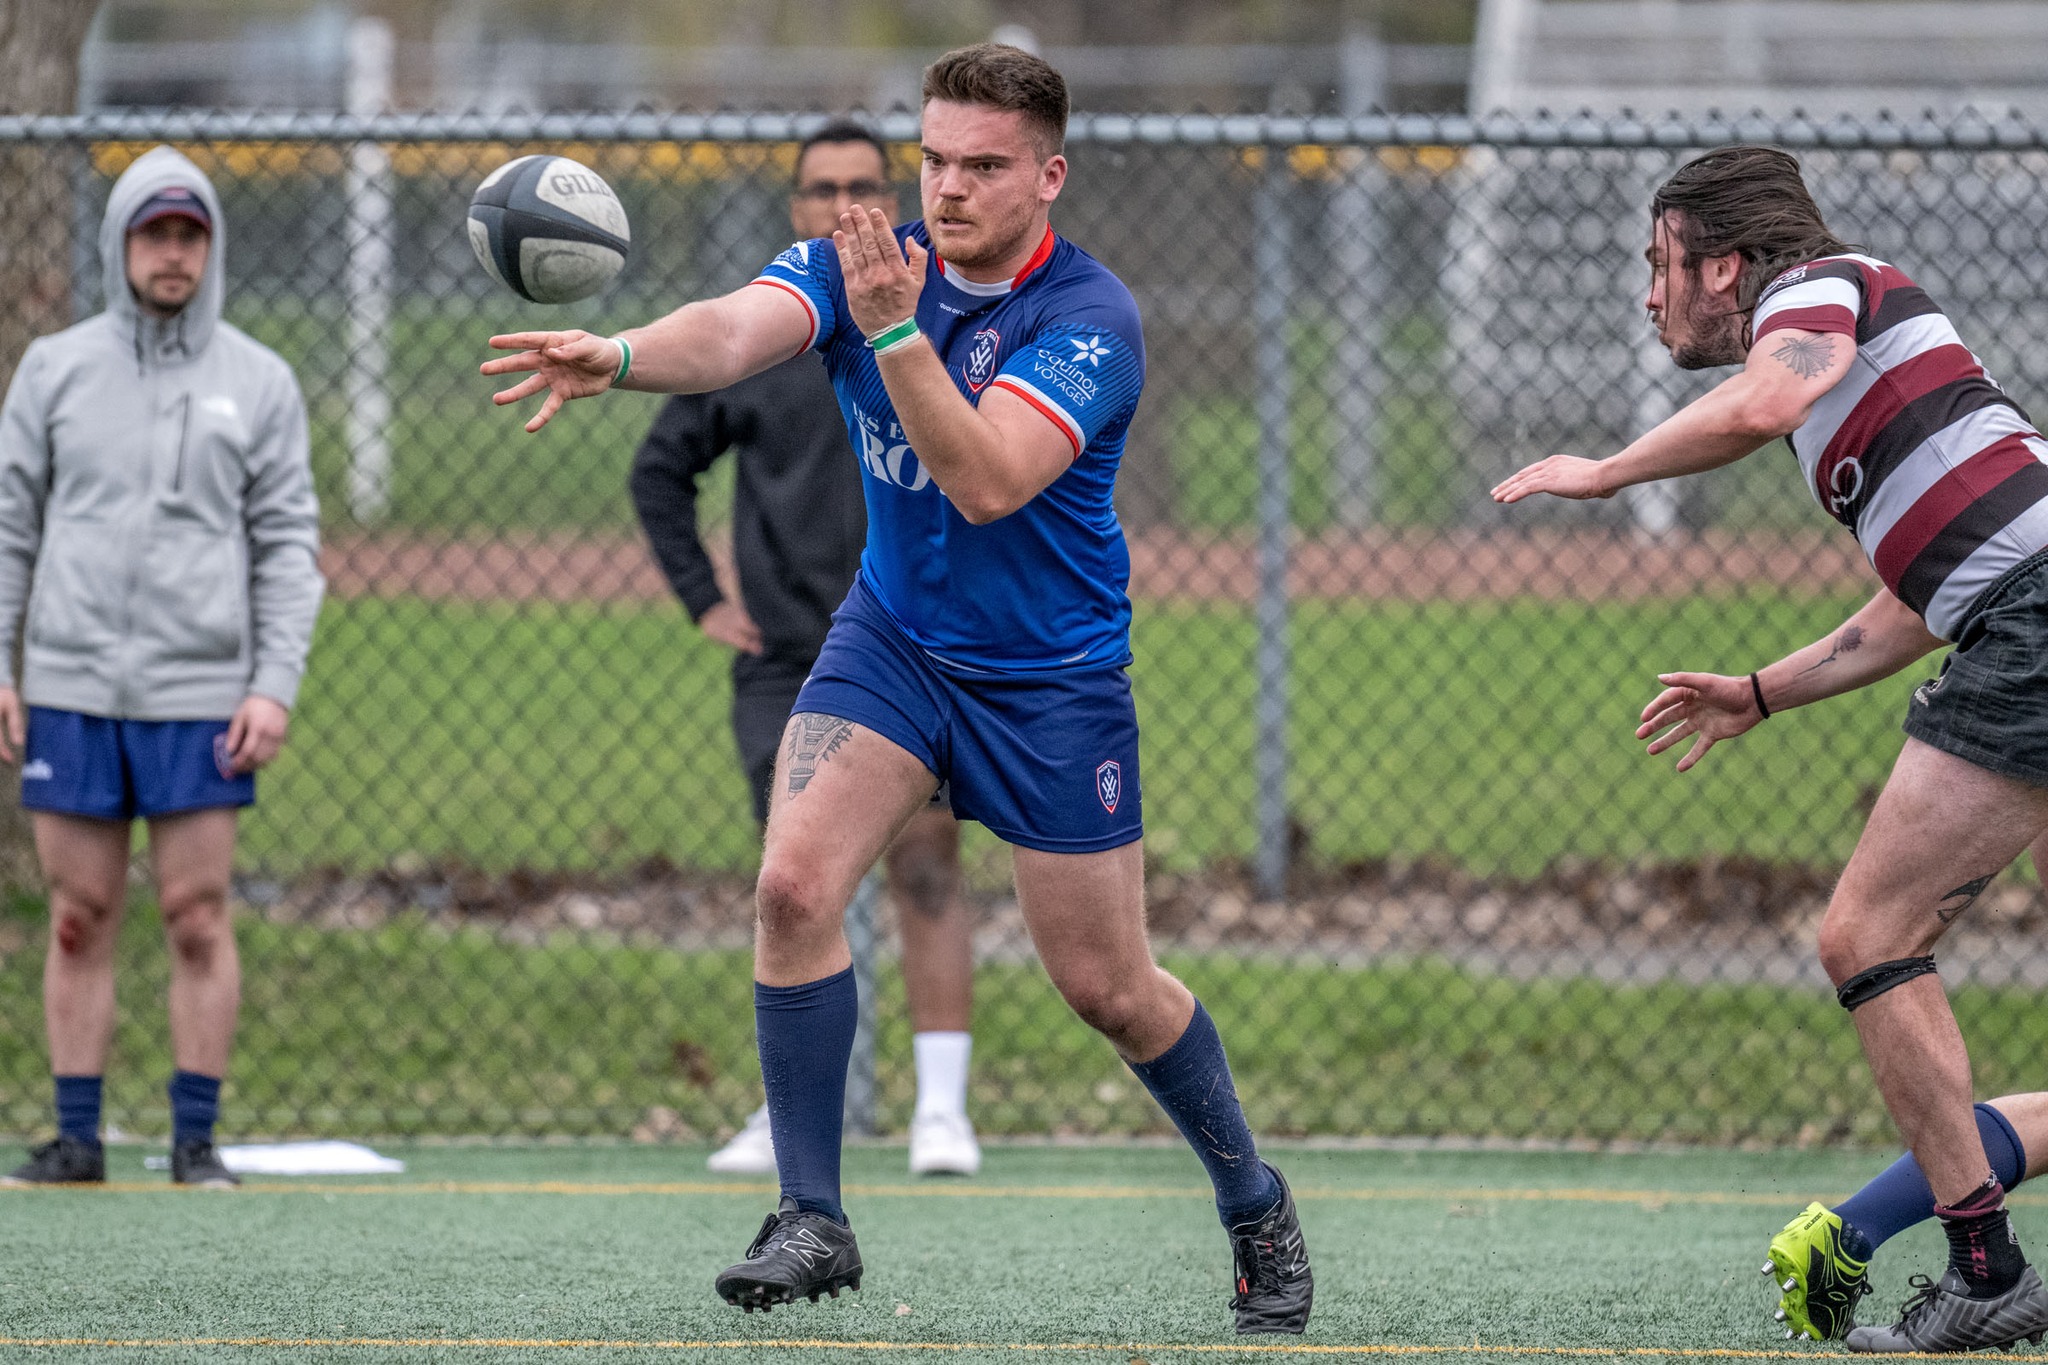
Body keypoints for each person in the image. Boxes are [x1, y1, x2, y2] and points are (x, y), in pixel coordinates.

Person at [485, 43, 1312, 1336]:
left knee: (1108, 986)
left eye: (983, 165)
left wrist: (890, 328)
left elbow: (985, 479)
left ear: (1049, 177)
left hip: (1048, 680)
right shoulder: (861, 262)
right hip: (895, 641)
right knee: (791, 888)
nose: (948, 188)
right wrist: (623, 352)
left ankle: (1252, 1198)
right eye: (933, 160)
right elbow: (733, 330)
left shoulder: (1089, 319)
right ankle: (810, 1213)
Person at [1493, 144, 2048, 1353]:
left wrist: (1605, 473)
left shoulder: (1814, 290)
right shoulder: (1860, 383)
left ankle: (1983, 1269)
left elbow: (1763, 400)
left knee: (1867, 936)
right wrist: (1761, 692)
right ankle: (1958, 1252)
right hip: (2019, 616)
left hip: (2034, 624)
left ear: (1724, 267)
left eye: (1659, 264)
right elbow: (1916, 604)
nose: (1648, 294)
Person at [628, 120, 979, 1179]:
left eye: (863, 185)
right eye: (822, 188)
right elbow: (659, 470)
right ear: (794, 209)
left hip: (914, 645)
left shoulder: (935, 327)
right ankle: (795, 1116)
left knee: (927, 870)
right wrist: (705, 600)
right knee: (797, 885)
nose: (842, 204)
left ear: (896, 202)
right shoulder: (774, 330)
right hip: (788, 654)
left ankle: (940, 1112)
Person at [0, 147, 324, 1189]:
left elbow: (288, 545)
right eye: (154, 233)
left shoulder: (258, 380)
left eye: (190, 235)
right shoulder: (54, 369)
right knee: (76, 915)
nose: (173, 253)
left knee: (195, 915)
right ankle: (76, 1138)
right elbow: (10, 526)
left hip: (201, 697)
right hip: (72, 687)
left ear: (211, 249)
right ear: (121, 245)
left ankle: (195, 1141)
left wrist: (271, 684)